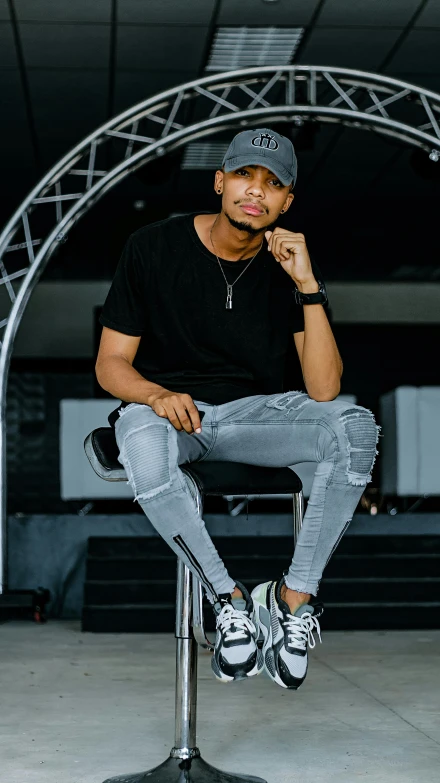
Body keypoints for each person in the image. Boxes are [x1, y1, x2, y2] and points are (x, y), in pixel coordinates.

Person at [96, 127, 381, 690]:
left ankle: (292, 600)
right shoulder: (152, 247)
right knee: (146, 449)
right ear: (220, 181)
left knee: (355, 427)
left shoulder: (286, 267)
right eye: (246, 176)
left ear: (287, 202)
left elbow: (323, 389)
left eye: (273, 184)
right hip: (169, 412)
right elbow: (111, 364)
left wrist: (307, 282)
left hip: (256, 415)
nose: (257, 192)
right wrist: (155, 394)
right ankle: (228, 602)